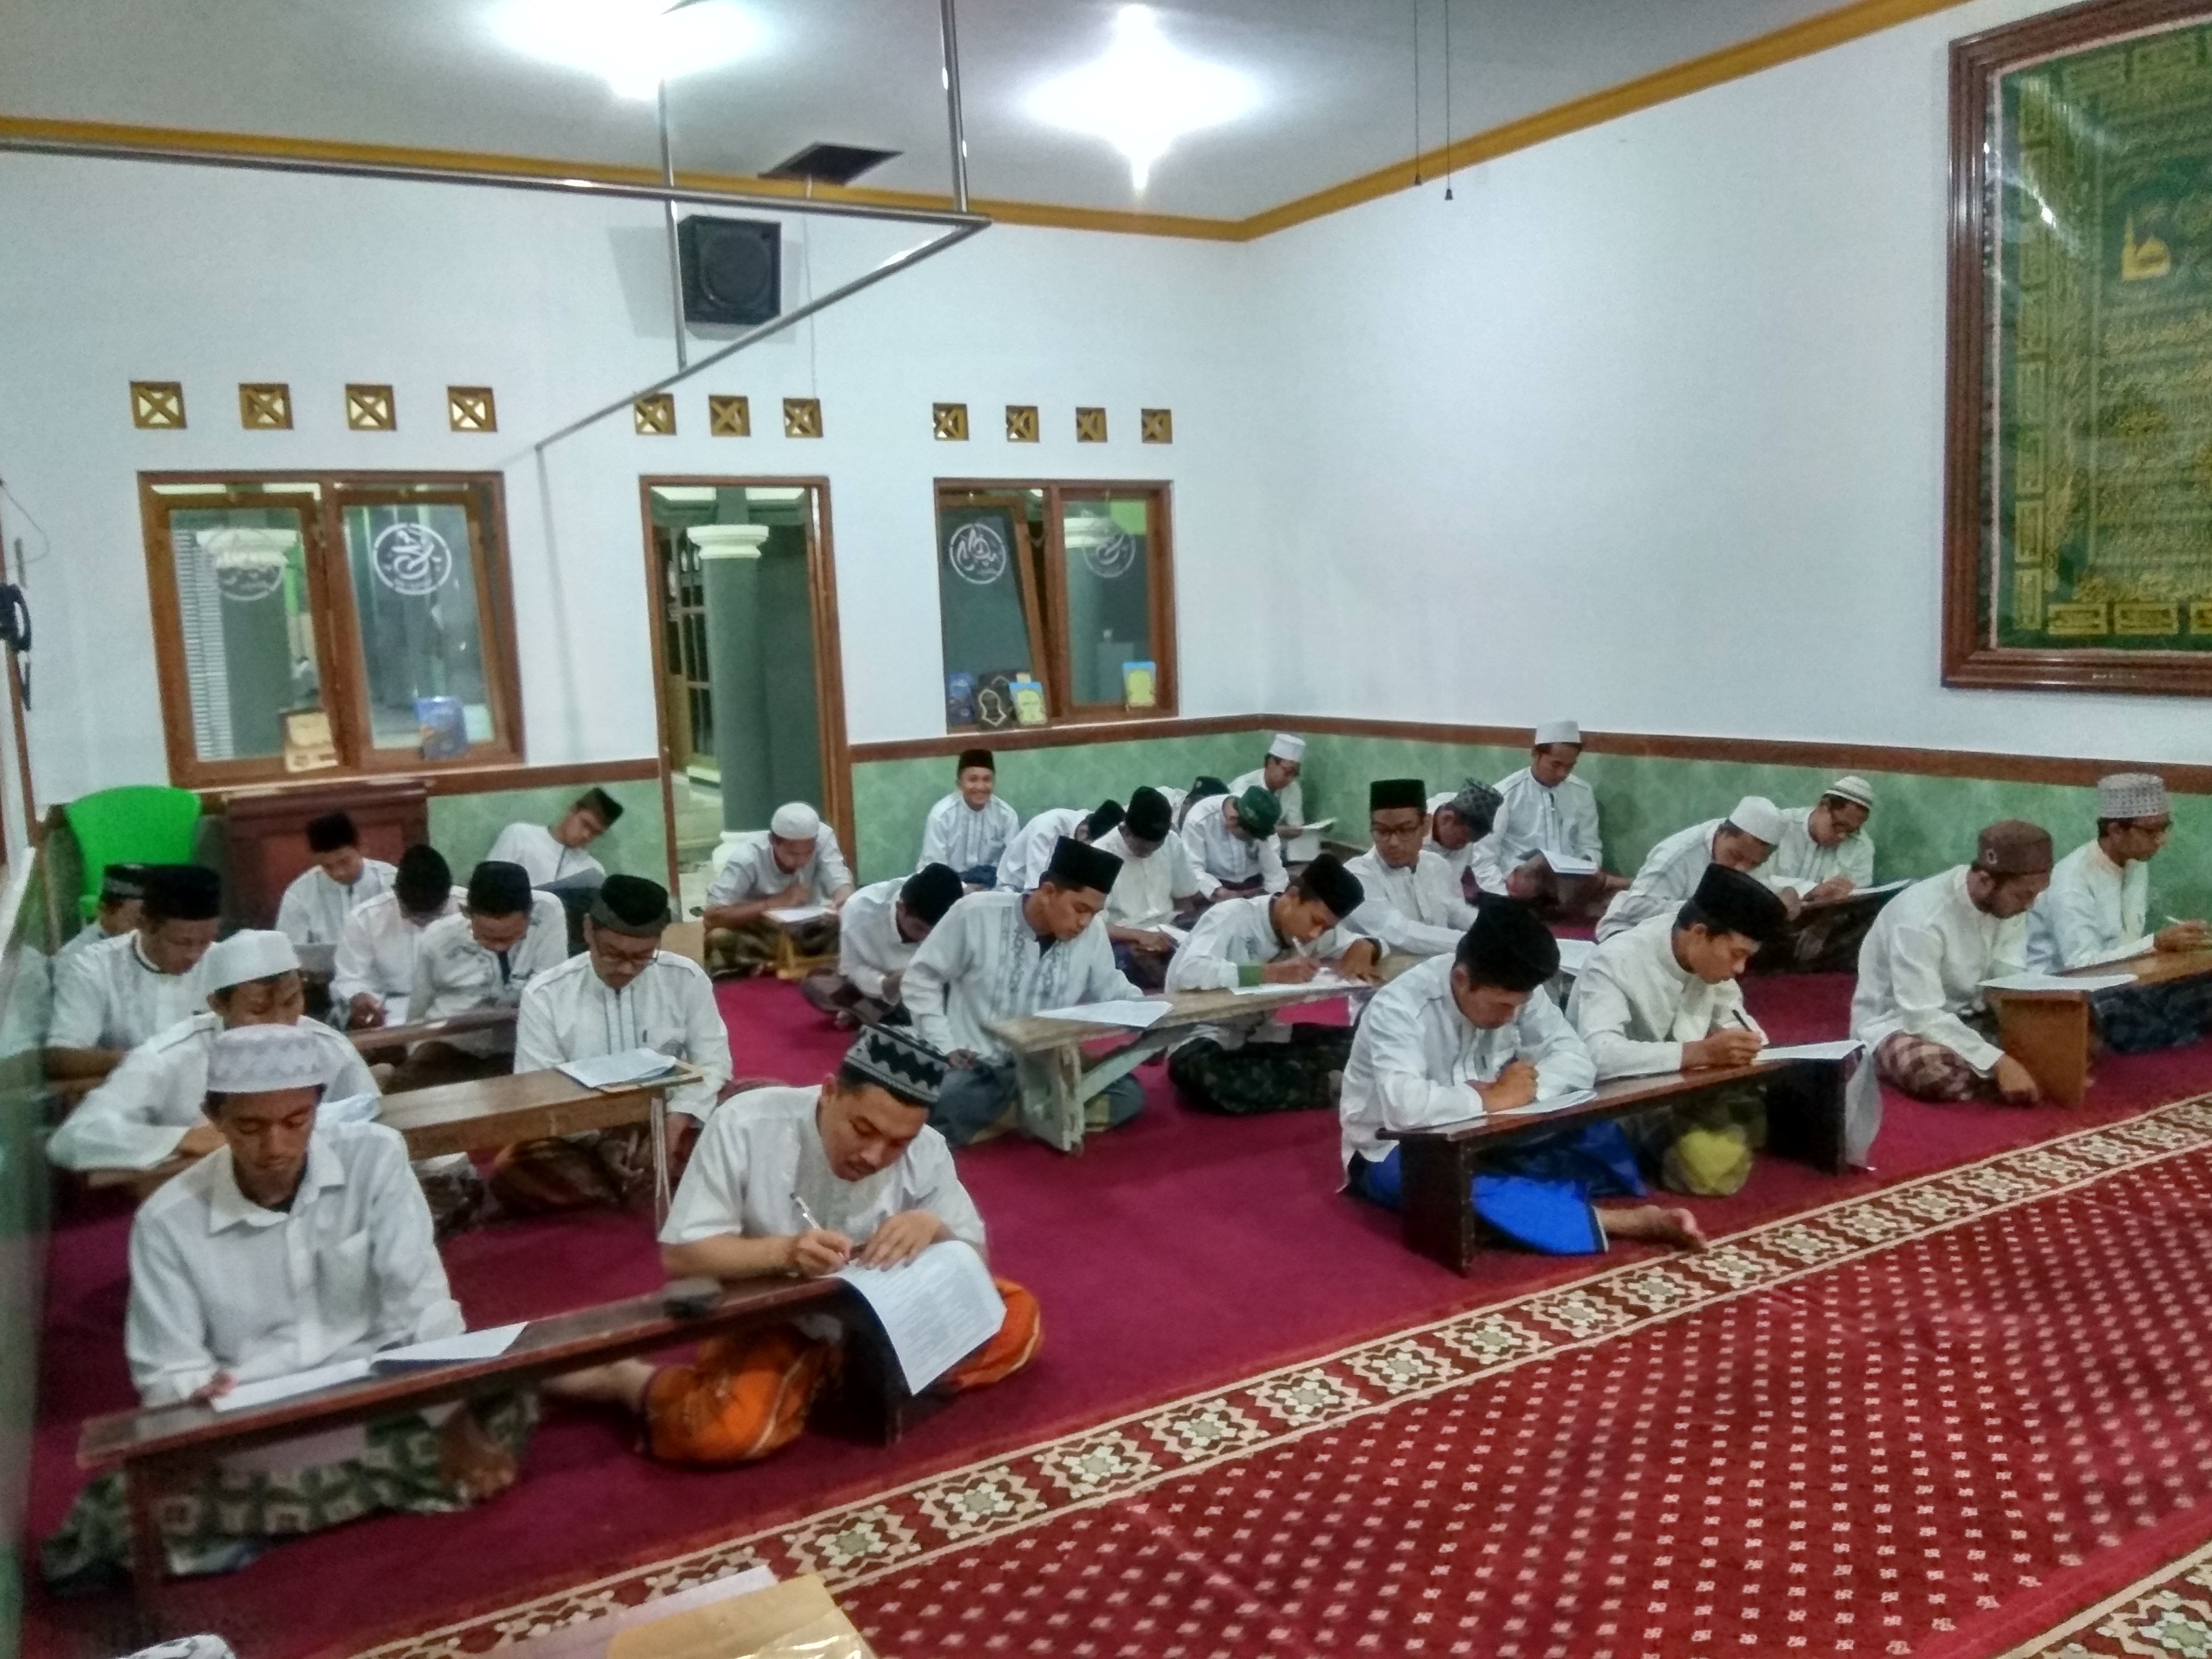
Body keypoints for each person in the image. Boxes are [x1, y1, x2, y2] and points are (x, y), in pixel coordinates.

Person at [40, 1025, 530, 1589]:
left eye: (296, 1122)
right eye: (250, 1127)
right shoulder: (168, 1221)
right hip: (255, 1429)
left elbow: (419, 1301)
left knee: (504, 1389)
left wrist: (452, 1424)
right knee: (116, 1516)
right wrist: (196, 1400)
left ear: (319, 1107)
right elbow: (168, 1368)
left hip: (379, 1401)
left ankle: (274, 1518)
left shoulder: (373, 1159)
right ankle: (366, 1488)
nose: (275, 1148)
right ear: (214, 1118)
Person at [641, 1026, 1040, 1465]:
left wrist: (935, 1228)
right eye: (862, 1130)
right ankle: (628, 1383)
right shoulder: (746, 1123)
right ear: (830, 1093)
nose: (874, 1156)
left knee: (1017, 1318)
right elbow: (683, 1255)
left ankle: (823, 1378)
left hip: (883, 1321)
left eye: (898, 1144)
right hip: (779, 1317)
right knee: (726, 1434)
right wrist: (784, 1252)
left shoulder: (926, 1150)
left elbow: (975, 1264)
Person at [1340, 896, 1704, 1256]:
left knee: (1600, 1135)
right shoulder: (1398, 1007)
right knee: (1451, 1188)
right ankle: (1616, 1221)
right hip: (1395, 1149)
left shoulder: (1518, 993)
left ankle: (1524, 1201)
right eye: (1502, 1006)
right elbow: (1405, 1109)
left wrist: (1526, 1091)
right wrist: (1488, 1099)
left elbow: (1577, 1059)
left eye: (1519, 1006)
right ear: (1462, 979)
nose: (1512, 1017)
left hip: (1494, 1130)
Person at [47, 931, 378, 1175]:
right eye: (258, 1009)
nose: (280, 1022)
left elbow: (373, 1121)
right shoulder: (170, 1055)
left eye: (292, 1002)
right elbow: (75, 1137)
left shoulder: (328, 1046)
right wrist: (182, 1139)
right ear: (218, 1004)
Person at [507, 875, 733, 1210]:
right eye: (612, 954)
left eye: (642, 957)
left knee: (760, 1100)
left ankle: (628, 1181)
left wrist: (674, 1125)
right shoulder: (546, 994)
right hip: (585, 1129)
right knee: (515, 1166)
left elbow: (713, 1061)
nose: (627, 969)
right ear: (588, 930)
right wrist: (598, 1141)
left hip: (672, 1115)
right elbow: (537, 1089)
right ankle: (673, 1173)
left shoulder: (685, 978)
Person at [904, 837, 1148, 1145]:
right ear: (1048, 892)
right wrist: (945, 1046)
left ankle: (1012, 1119)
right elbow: (921, 978)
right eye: (1080, 909)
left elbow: (1111, 989)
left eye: (1095, 914)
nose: (1085, 923)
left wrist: (1151, 1019)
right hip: (979, 1067)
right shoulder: (976, 913)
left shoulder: (1092, 933)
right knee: (948, 1098)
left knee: (1129, 1094)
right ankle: (1041, 1116)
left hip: (1047, 1067)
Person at [1568, 865, 1788, 1196]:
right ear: (1700, 933)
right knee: (1707, 1166)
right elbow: (1598, 1055)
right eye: (1737, 955)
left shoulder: (1707, 962)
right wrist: (1697, 1053)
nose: (1740, 969)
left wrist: (1744, 1043)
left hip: (1690, 1087)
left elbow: (1732, 1016)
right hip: (1623, 1099)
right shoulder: (1614, 962)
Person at [1852, 820, 2052, 1104]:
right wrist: (2000, 1062)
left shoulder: (2008, 906)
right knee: (1934, 1072)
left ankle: (1986, 1075)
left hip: (1969, 1017)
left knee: (2074, 1033)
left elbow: (2006, 981)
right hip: (1900, 1024)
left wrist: (2036, 1030)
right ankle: (1992, 1075)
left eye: (2036, 895)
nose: (2030, 905)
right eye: (2023, 895)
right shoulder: (1921, 917)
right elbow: (1921, 1015)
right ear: (1985, 881)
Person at [1164, 855, 1379, 1114]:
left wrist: (1365, 948)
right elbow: (1189, 972)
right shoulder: (1232, 916)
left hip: (1259, 1034)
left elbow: (1362, 942)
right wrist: (1267, 973)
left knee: (1359, 1041)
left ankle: (1300, 1074)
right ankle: (1325, 1086)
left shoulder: (1314, 933)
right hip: (1203, 1034)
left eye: (1325, 929)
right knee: (1199, 1073)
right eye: (1316, 922)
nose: (1316, 934)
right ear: (1293, 895)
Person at [2025, 773, 2212, 1051]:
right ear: (2115, 831)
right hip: (2067, 991)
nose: (2162, 840)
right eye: (2151, 831)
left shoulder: (2136, 862)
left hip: (2125, 980)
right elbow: (2080, 967)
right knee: (2122, 1011)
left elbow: (2128, 944)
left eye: (2165, 828)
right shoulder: (2073, 881)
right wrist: (2156, 944)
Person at [396, 861, 571, 1090]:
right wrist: (416, 1054)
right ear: (466, 912)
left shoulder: (548, 913)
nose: (499, 947)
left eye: (510, 938)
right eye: (487, 938)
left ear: (530, 915)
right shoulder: (437, 939)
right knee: (410, 1095)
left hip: (515, 1046)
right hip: (450, 1043)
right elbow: (418, 1012)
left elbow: (549, 993)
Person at [48, 864, 223, 1084]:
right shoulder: (94, 966)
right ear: (143, 925)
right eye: (182, 943)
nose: (194, 955)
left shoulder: (225, 961)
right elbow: (63, 1057)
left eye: (205, 941)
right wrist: (153, 1060)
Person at [1596, 796, 1785, 943]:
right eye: (1735, 856)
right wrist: (1701, 910)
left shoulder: (1749, 852)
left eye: (1754, 864)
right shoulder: (1679, 854)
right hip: (1630, 932)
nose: (1740, 869)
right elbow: (1636, 907)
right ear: (1722, 832)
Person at [799, 864, 965, 1028]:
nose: (927, 938)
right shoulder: (860, 911)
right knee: (818, 983)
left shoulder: (964, 908)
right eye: (919, 928)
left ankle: (871, 1015)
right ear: (901, 908)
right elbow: (852, 968)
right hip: (883, 983)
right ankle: (892, 1015)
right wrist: (885, 984)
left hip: (934, 988)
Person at [701, 803, 857, 976]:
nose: (802, 861)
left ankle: (774, 965)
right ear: (773, 842)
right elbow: (712, 917)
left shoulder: (824, 838)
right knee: (719, 939)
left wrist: (844, 903)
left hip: (811, 929)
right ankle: (791, 964)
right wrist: (775, 903)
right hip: (765, 932)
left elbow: (839, 879)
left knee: (856, 928)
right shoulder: (748, 857)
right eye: (793, 854)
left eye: (808, 853)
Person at [1490, 720, 1624, 918]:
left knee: (1623, 897)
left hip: (1568, 882)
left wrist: (1586, 866)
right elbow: (1485, 856)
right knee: (1537, 867)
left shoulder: (1581, 791)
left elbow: (1590, 845)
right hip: (1525, 881)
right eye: (1556, 765)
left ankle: (1567, 905)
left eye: (1570, 767)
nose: (1562, 774)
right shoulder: (1505, 794)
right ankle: (1569, 906)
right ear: (1536, 755)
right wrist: (1501, 897)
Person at [1756, 777, 1882, 972]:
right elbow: (1757, 880)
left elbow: (1858, 898)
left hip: (1822, 926)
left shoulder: (1862, 846)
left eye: (1850, 831)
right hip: (1773, 919)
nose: (1842, 836)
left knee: (1869, 927)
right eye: (1838, 826)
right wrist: (1811, 890)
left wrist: (1825, 925)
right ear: (1823, 806)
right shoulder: (1781, 826)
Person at [332, 845, 464, 1030]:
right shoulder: (364, 920)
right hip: (391, 1013)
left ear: (448, 894)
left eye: (432, 915)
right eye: (412, 914)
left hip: (458, 1007)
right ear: (396, 893)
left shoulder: (470, 910)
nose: (422, 922)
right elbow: (351, 977)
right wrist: (359, 996)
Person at [1344, 778, 1479, 956]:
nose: (1393, 842)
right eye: (1382, 831)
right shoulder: (1357, 875)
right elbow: (1401, 933)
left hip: (1440, 965)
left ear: (1426, 825)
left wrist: (1493, 929)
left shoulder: (1437, 865)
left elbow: (1458, 912)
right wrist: (1477, 942)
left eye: (1405, 830)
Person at [1095, 785, 1204, 990]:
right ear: (1127, 830)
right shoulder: (1101, 855)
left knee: (1209, 934)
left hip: (1168, 929)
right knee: (1137, 962)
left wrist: (1186, 931)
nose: (1149, 854)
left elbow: (1184, 898)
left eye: (1156, 847)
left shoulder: (1171, 842)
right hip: (1124, 937)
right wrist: (1140, 936)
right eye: (1142, 848)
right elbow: (1096, 926)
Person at [274, 812, 395, 950]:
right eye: (327, 866)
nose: (338, 873)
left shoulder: (392, 881)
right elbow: (288, 951)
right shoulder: (299, 894)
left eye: (344, 862)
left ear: (362, 848)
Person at [918, 749, 1019, 887]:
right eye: (973, 780)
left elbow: (1013, 865)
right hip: (948, 887)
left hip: (991, 888)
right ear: (959, 783)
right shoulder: (942, 816)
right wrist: (964, 889)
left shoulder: (1006, 816)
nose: (980, 787)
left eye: (987, 780)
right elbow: (934, 868)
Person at [488, 788, 622, 887]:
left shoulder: (592, 870)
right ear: (573, 809)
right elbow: (488, 886)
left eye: (596, 833)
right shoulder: (520, 835)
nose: (586, 835)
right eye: (585, 824)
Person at [1179, 784, 1286, 900]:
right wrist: (1218, 892)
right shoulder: (1199, 819)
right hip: (1217, 887)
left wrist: (1274, 899)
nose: (1253, 839)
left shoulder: (1262, 815)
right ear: (1232, 823)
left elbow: (1275, 873)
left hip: (1256, 885)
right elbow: (1193, 869)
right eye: (1249, 837)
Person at [995, 800, 1122, 893]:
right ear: (1084, 826)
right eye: (1087, 838)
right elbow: (1035, 886)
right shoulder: (1047, 828)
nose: (1088, 845)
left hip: (1055, 891)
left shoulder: (1099, 833)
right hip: (1015, 886)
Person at [55, 863, 149, 969]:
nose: (139, 928)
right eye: (132, 919)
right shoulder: (76, 957)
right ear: (104, 909)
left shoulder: (146, 946)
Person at [1427, 784, 1507, 902]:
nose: (1463, 846)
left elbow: (1455, 889)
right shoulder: (1411, 834)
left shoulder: (1465, 838)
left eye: (1470, 841)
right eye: (1461, 839)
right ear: (1446, 819)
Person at [1228, 733, 1307, 847]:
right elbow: (1239, 828)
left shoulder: (1293, 789)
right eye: (1288, 772)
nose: (1290, 779)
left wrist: (1281, 832)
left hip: (1270, 846)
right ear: (1271, 763)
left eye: (1294, 774)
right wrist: (1274, 831)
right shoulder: (1244, 785)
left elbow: (1296, 828)